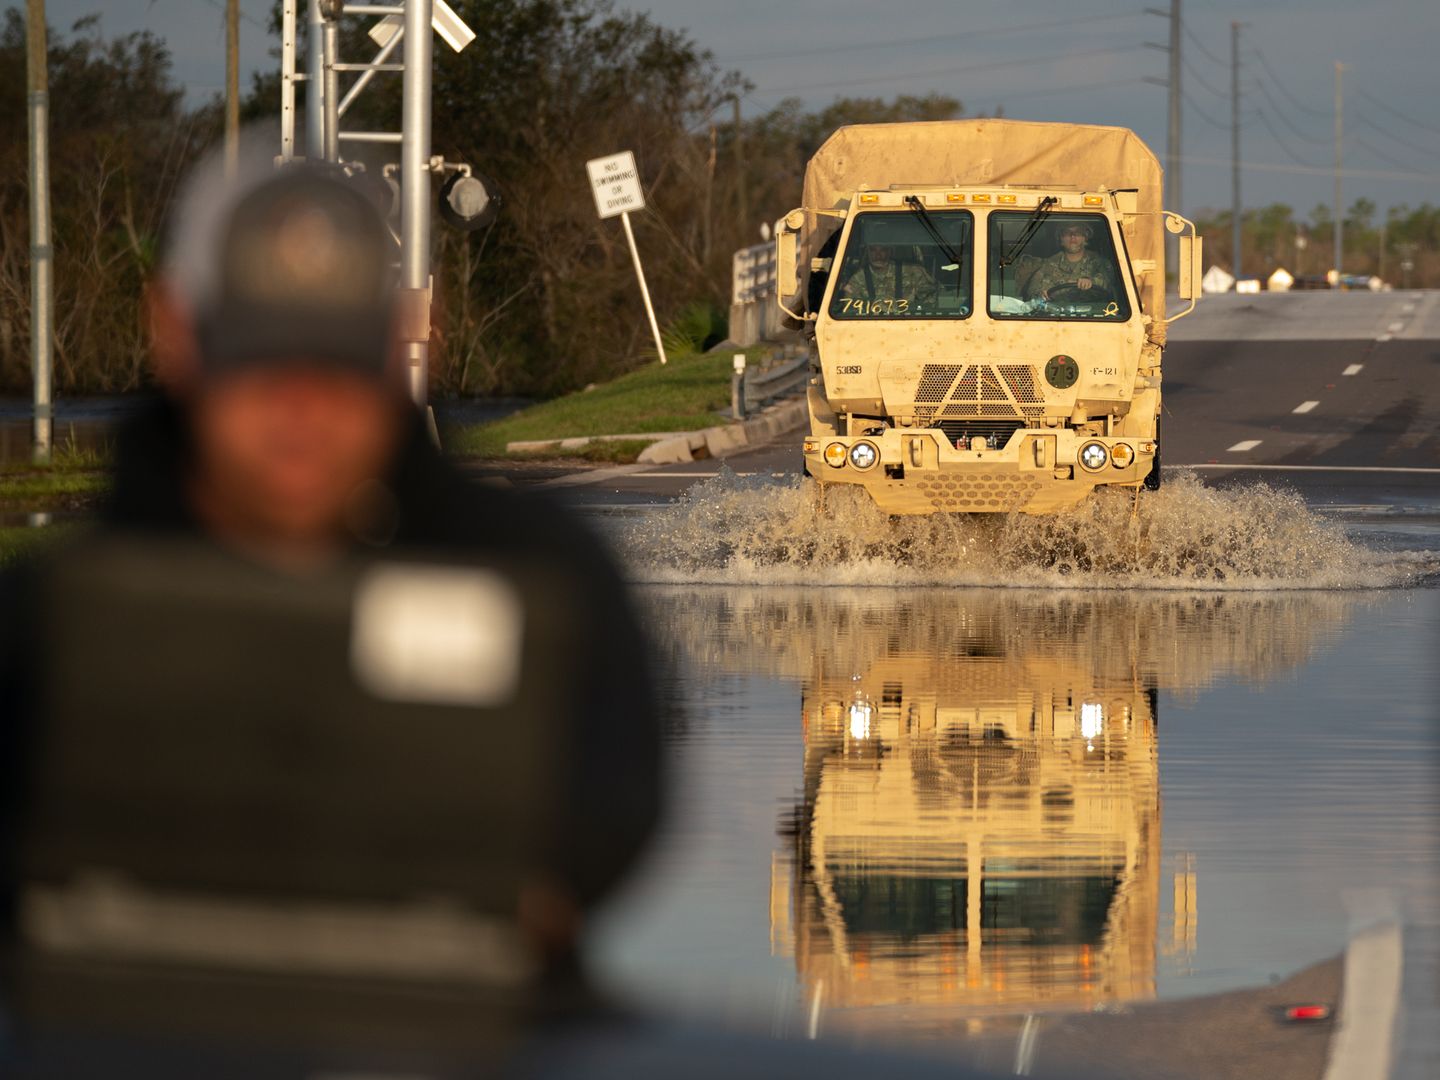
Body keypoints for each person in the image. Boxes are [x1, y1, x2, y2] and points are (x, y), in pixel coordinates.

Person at [0, 143, 663, 1075]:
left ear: (395, 342)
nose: (302, 411)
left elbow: (611, 814)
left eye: (338, 365)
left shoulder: (547, 583)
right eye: (262, 361)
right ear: (178, 336)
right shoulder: (45, 621)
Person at [1023, 221, 1113, 301]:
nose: (1072, 236)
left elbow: (1112, 286)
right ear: (1060, 239)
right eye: (1067, 233)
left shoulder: (1100, 262)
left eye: (1078, 232)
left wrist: (1091, 282)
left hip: (1096, 315)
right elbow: (1032, 293)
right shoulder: (1048, 264)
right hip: (1058, 315)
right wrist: (1041, 294)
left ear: (1085, 237)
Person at [837, 241, 936, 309]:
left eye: (882, 250)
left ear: (890, 251)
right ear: (867, 252)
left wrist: (915, 310)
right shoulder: (857, 279)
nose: (878, 255)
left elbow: (933, 299)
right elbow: (850, 308)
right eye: (873, 250)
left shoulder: (913, 272)